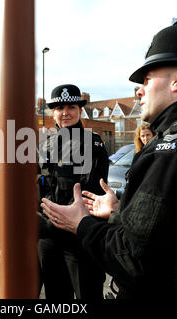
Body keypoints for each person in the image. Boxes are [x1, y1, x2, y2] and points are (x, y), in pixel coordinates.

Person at [40, 20, 177, 299]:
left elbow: (134, 260)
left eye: (147, 79)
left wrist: (82, 224)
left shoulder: (172, 152)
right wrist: (119, 211)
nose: (140, 90)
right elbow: (174, 228)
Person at [38, 84, 109, 299]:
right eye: (59, 108)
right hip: (50, 236)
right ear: (53, 112)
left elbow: (92, 192)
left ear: (80, 110)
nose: (65, 112)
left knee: (88, 293)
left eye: (71, 107)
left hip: (79, 237)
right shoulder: (45, 144)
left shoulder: (93, 144)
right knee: (56, 297)